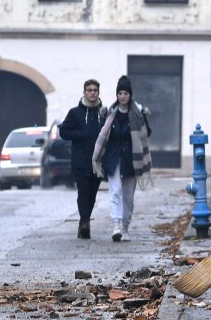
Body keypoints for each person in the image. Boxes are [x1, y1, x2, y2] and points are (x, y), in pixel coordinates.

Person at [92, 75, 152, 242]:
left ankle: (125, 226)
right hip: (113, 158)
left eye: (126, 93)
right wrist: (102, 118)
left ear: (130, 95)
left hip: (132, 159)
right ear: (117, 95)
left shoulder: (137, 113)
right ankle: (116, 225)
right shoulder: (110, 113)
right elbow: (102, 133)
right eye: (120, 93)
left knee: (128, 196)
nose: (123, 96)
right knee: (115, 191)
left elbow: (147, 133)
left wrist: (144, 119)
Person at [59, 79, 105, 239]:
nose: (92, 93)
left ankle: (84, 220)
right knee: (83, 191)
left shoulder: (104, 113)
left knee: (92, 194)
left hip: (98, 162)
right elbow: (63, 132)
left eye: (95, 90)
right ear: (84, 92)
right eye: (89, 90)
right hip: (80, 160)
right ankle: (84, 222)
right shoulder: (75, 113)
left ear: (98, 93)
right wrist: (80, 134)